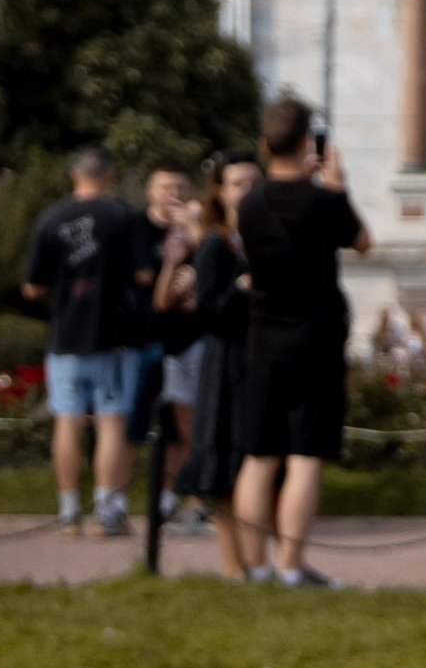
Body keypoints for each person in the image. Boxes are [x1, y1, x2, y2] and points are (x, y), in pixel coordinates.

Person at [234, 103, 368, 588]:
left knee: (259, 454)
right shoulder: (324, 202)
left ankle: (256, 566)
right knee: (305, 454)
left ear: (266, 145)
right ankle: (291, 565)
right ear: (308, 144)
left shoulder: (248, 204)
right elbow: (363, 242)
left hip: (264, 336)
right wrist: (337, 187)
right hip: (315, 338)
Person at [23, 146, 158, 540]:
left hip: (65, 334)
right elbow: (145, 274)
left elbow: (32, 285)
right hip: (111, 336)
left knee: (67, 422)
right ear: (109, 176)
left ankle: (68, 512)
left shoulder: (51, 218)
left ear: (73, 174)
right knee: (111, 422)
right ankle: (105, 511)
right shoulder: (122, 216)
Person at [177, 159, 261, 578]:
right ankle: (234, 567)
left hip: (260, 362)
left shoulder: (261, 240)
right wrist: (244, 287)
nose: (246, 190)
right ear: (220, 191)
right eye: (237, 183)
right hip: (227, 363)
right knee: (225, 471)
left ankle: (260, 562)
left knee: (256, 465)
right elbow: (209, 311)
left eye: (253, 182)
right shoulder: (215, 245)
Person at [142, 165, 206, 531]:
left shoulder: (198, 232)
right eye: (166, 187)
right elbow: (161, 299)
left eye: (180, 187)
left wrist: (192, 232)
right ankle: (168, 498)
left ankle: (192, 500)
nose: (174, 194)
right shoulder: (143, 229)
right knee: (171, 429)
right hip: (160, 343)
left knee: (190, 427)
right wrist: (172, 264)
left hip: (195, 342)